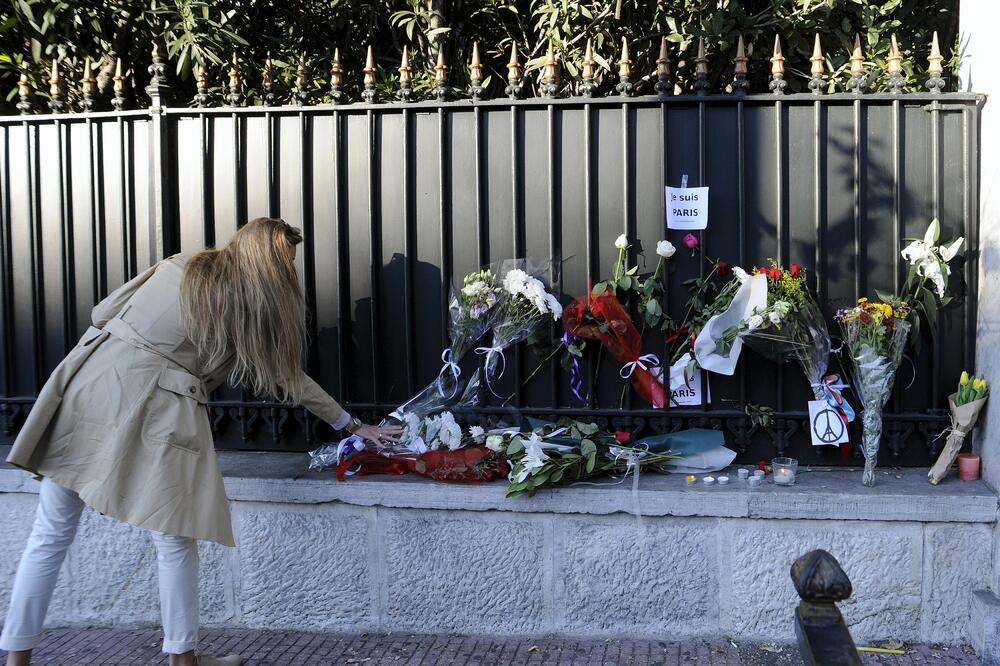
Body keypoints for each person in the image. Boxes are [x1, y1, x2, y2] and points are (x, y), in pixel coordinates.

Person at [0, 218, 401, 666]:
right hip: (158, 405)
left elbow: (103, 311)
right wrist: (352, 424)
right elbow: (290, 379)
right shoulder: (247, 307)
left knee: (50, 532)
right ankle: (182, 658)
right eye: (287, 263)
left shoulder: (178, 264)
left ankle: (16, 658)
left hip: (90, 381)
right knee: (174, 535)